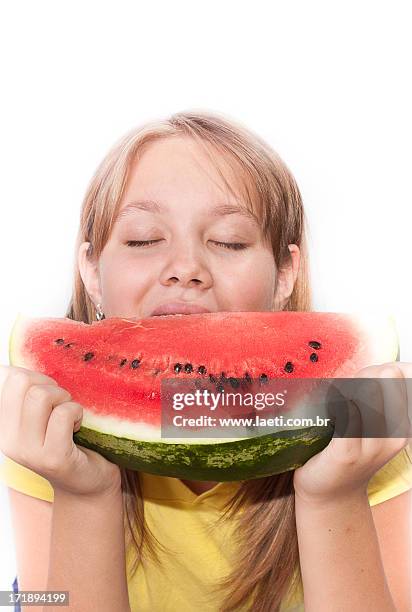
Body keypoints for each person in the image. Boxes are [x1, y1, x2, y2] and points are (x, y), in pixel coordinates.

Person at [0, 111, 411, 612]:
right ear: (90, 269)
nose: (186, 269)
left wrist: (335, 496)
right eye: (144, 240)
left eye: (229, 241)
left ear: (285, 274)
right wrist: (84, 495)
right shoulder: (44, 423)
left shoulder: (370, 419)